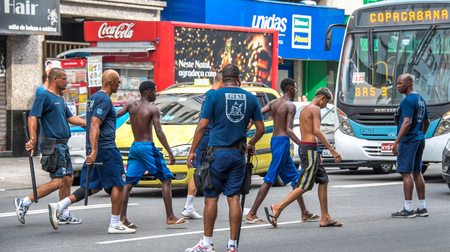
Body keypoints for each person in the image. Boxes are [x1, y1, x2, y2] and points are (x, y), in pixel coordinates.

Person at [185, 64, 265, 252]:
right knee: (234, 198)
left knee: (211, 199)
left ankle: (207, 243)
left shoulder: (214, 96)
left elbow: (202, 126)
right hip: (238, 155)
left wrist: (192, 151)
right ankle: (232, 245)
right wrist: (251, 143)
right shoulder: (251, 98)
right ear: (239, 78)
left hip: (217, 155)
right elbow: (260, 129)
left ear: (223, 79)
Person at [48, 69, 135, 234]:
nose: (119, 85)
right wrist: (94, 151)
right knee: (119, 184)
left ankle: (60, 205)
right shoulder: (104, 100)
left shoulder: (93, 98)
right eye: (118, 82)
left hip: (95, 148)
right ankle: (115, 224)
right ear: (111, 83)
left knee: (92, 187)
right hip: (105, 149)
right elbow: (94, 124)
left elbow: (99, 120)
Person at [15, 68, 85, 226]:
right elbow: (33, 116)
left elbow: (70, 117)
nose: (67, 82)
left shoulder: (60, 98)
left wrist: (84, 122)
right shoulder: (44, 96)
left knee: (68, 178)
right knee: (58, 182)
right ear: (55, 79)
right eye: (64, 78)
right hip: (52, 145)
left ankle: (64, 213)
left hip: (63, 145)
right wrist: (32, 138)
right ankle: (24, 202)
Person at [264, 87, 343, 228]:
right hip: (309, 149)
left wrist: (317, 151)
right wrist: (332, 150)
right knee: (305, 185)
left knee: (323, 180)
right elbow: (316, 131)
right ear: (322, 98)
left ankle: (325, 217)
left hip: (307, 148)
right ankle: (278, 207)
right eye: (326, 102)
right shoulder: (316, 109)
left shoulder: (305, 109)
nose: (325, 106)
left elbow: (307, 132)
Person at [246, 78, 319, 224]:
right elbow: (288, 130)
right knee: (270, 178)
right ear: (291, 88)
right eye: (296, 88)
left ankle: (304, 212)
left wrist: (249, 122)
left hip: (275, 141)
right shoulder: (290, 105)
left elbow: (257, 113)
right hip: (283, 142)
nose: (296, 90)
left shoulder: (273, 103)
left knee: (295, 178)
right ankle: (252, 213)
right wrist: (303, 144)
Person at [116, 81, 188, 228]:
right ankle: (170, 216)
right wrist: (169, 151)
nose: (156, 94)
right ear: (148, 92)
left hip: (135, 147)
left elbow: (115, 115)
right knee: (166, 179)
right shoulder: (153, 109)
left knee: (128, 183)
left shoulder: (131, 105)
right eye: (155, 91)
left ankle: (122, 218)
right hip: (147, 147)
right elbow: (159, 132)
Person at [182, 71, 224, 219]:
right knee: (200, 171)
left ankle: (189, 206)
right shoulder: (214, 95)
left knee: (201, 170)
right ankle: (188, 206)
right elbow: (204, 122)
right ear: (222, 81)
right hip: (208, 137)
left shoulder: (208, 94)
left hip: (207, 136)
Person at [391, 73, 430, 218]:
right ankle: (422, 207)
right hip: (419, 139)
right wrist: (420, 135)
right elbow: (427, 122)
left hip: (408, 141)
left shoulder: (408, 101)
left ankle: (408, 209)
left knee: (406, 173)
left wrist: (397, 142)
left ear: (408, 84)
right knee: (417, 172)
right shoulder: (421, 99)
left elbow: (406, 123)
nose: (398, 86)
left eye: (400, 83)